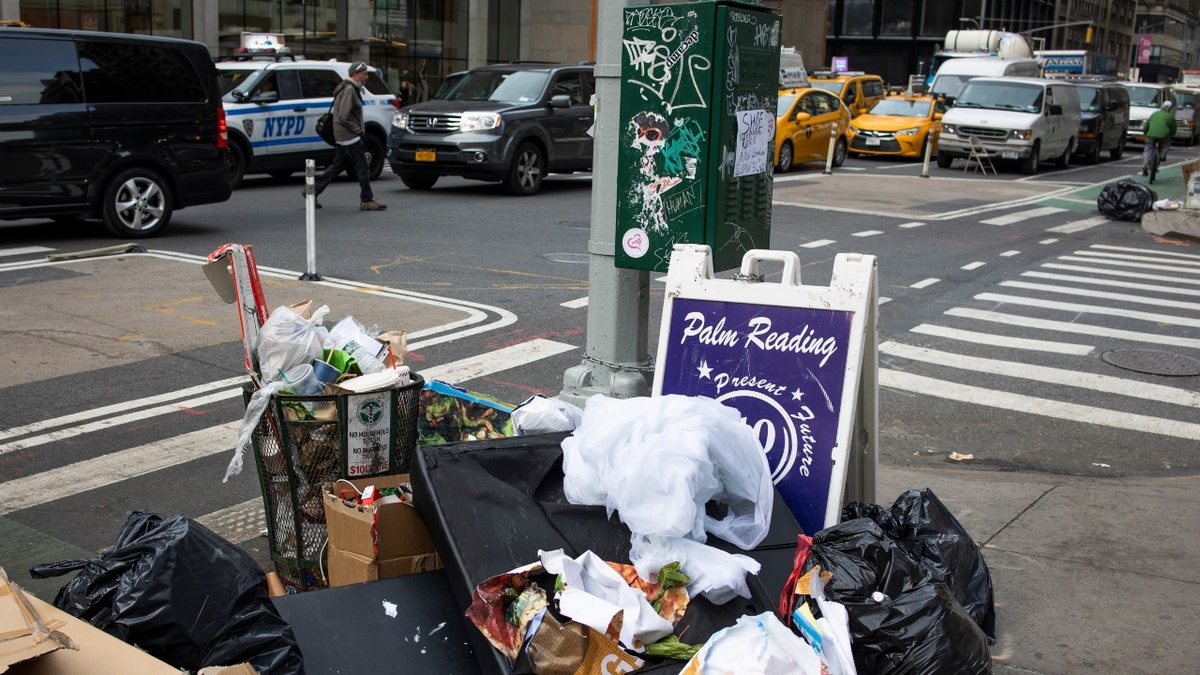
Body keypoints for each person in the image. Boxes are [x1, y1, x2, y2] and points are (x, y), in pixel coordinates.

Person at [309, 62, 386, 211]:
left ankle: (311, 191)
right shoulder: (349, 90)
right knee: (362, 166)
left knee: (337, 166)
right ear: (355, 75)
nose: (366, 77)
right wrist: (358, 130)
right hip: (349, 136)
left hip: (344, 135)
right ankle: (366, 200)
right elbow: (344, 116)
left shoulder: (349, 88)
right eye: (364, 74)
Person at [1142, 99, 1177, 177]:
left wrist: (1145, 133)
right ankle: (1162, 156)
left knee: (1148, 151)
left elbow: (1146, 125)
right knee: (1166, 144)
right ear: (1170, 109)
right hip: (1163, 136)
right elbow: (1173, 129)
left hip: (1150, 135)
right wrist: (1171, 134)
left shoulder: (1154, 114)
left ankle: (1145, 165)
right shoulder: (1170, 117)